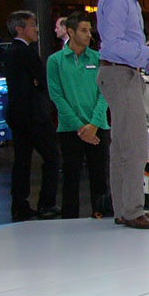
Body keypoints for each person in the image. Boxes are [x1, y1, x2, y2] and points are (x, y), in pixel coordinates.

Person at [96, 0, 149, 230]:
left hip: (122, 73)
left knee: (123, 144)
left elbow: (121, 44)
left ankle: (124, 208)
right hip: (119, 73)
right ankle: (132, 210)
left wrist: (146, 60)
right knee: (134, 144)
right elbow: (113, 44)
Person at [46, 12, 111, 219]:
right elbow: (56, 96)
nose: (88, 35)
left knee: (100, 177)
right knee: (70, 178)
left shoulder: (98, 58)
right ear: (71, 32)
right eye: (83, 30)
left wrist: (94, 124)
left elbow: (105, 92)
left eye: (89, 30)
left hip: (98, 127)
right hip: (70, 129)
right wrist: (80, 126)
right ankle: (69, 221)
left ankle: (100, 216)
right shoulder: (55, 61)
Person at [3, 10, 60, 221]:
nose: (36, 29)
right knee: (52, 157)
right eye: (32, 25)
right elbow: (42, 80)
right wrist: (38, 85)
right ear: (20, 28)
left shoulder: (9, 51)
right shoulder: (26, 52)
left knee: (22, 161)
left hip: (17, 115)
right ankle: (47, 203)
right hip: (34, 116)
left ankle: (19, 205)